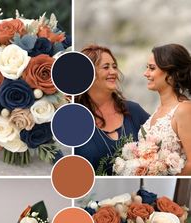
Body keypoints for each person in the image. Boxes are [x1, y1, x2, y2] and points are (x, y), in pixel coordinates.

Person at [74, 45, 149, 175]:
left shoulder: (134, 111)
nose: (113, 72)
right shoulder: (74, 120)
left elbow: (163, 138)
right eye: (106, 67)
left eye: (114, 66)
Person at [142, 43, 191, 175]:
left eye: (152, 68)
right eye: (146, 68)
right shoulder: (157, 111)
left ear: (171, 73)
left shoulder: (184, 110)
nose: (145, 73)